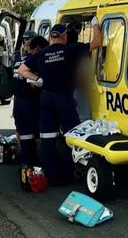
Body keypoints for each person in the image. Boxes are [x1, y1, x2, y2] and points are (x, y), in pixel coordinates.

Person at [17, 19, 103, 185]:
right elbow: (97, 42)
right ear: (63, 37)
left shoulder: (42, 54)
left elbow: (22, 70)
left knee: (47, 139)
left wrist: (38, 79)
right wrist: (95, 24)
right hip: (63, 99)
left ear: (51, 37)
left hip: (46, 99)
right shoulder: (70, 50)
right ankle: (70, 174)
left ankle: (51, 177)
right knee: (74, 137)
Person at [12, 35, 49, 167]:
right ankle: (37, 168)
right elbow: (34, 84)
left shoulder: (17, 60)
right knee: (40, 135)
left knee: (24, 136)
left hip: (18, 104)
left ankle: (27, 167)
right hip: (31, 103)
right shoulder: (33, 61)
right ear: (38, 49)